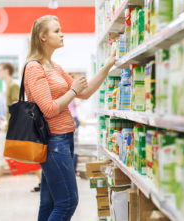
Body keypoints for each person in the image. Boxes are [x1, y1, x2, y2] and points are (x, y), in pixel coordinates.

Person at [24, 15, 115, 221]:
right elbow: (49, 109)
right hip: (52, 141)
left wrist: (107, 66)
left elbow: (85, 92)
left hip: (64, 138)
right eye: (56, 30)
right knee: (67, 203)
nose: (62, 33)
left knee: (50, 203)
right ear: (43, 37)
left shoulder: (55, 67)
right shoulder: (34, 68)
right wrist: (72, 90)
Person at [0, 62, 42, 192]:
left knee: (4, 154)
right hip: (10, 127)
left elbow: (18, 106)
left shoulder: (13, 86)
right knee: (5, 154)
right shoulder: (9, 86)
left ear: (6, 71)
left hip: (12, 128)